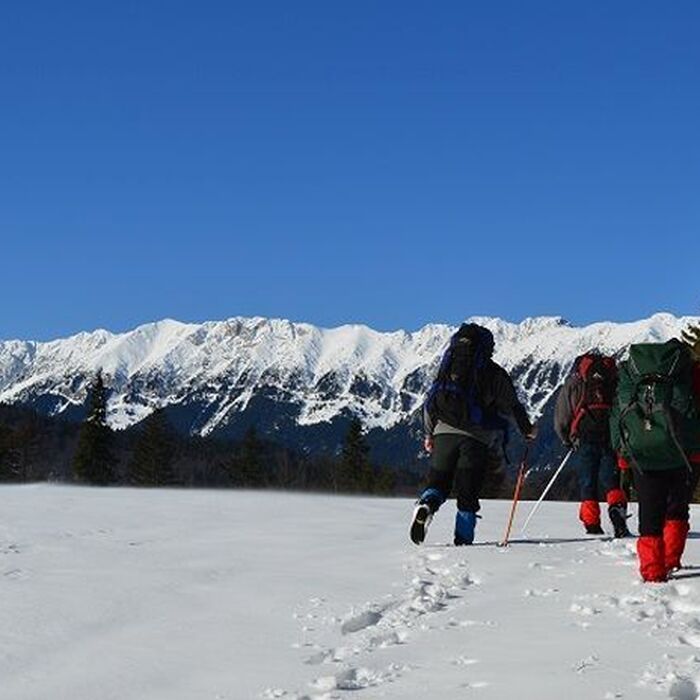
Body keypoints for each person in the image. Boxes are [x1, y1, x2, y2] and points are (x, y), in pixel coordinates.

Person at [410, 323, 536, 546]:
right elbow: (513, 406)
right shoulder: (494, 373)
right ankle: (463, 542)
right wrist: (527, 430)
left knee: (439, 482)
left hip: (442, 433)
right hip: (476, 439)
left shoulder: (448, 367)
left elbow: (431, 402)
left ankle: (427, 504)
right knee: (467, 492)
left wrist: (429, 434)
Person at [611, 336, 700, 582]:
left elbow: (618, 410)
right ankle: (671, 559)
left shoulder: (633, 373)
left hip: (642, 452)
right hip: (686, 453)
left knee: (649, 512)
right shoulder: (689, 371)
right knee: (677, 508)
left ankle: (652, 571)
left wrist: (622, 451)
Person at [554, 353, 630, 538]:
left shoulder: (575, 382)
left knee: (587, 481)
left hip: (584, 437)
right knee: (611, 480)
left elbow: (562, 414)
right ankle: (616, 512)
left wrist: (566, 438)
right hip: (611, 436)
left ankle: (592, 523)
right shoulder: (614, 380)